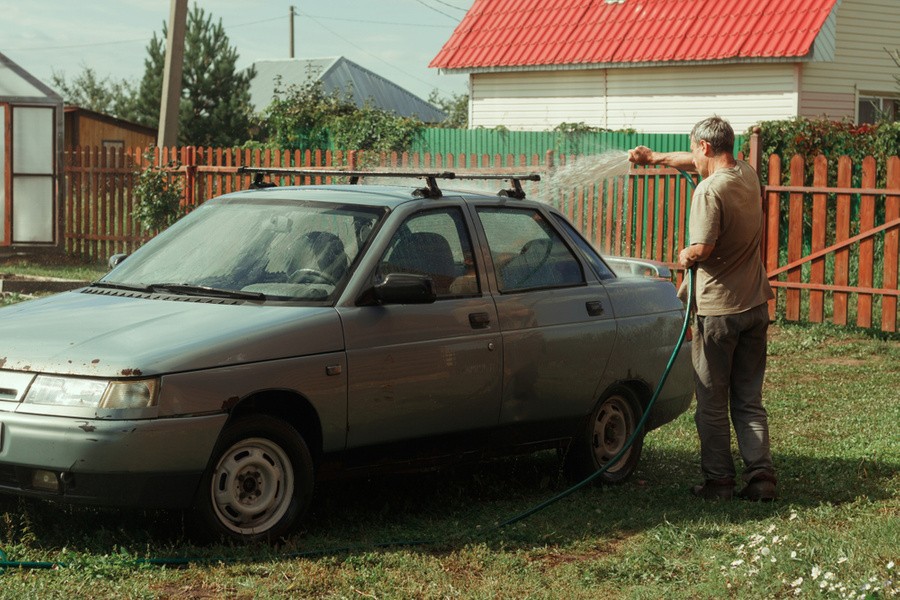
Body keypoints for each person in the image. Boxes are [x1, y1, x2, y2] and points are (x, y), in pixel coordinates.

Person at [628, 116, 777, 501]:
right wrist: (655, 158)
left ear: (706, 146)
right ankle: (761, 477)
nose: (693, 155)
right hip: (755, 305)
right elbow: (696, 163)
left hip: (719, 312)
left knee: (711, 402)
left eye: (695, 148)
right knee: (748, 399)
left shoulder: (709, 191)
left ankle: (719, 482)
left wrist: (686, 254)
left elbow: (704, 249)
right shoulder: (746, 173)